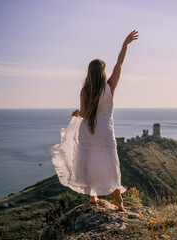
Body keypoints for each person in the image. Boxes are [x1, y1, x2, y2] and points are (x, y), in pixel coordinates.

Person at [51, 30, 139, 212]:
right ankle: (118, 199)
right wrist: (125, 45)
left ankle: (93, 197)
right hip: (105, 130)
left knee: (89, 160)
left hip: (88, 130)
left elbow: (83, 113)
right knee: (111, 161)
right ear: (103, 72)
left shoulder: (84, 90)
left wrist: (75, 113)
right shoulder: (110, 87)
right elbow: (120, 64)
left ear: (89, 73)